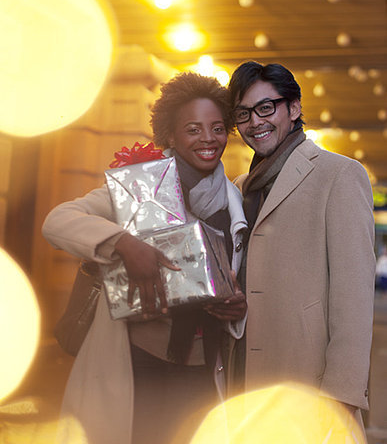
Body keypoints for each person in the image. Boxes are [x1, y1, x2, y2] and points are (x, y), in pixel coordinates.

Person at [42, 72, 247, 444]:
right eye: (193, 129)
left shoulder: (234, 202)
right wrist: (122, 242)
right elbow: (57, 221)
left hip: (204, 369)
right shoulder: (138, 186)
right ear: (170, 134)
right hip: (138, 361)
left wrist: (236, 306)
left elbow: (234, 277)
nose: (208, 139)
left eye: (218, 128)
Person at [225, 61, 375, 425]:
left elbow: (354, 296)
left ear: (293, 109)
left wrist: (341, 394)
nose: (255, 122)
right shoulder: (240, 186)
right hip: (243, 374)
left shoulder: (338, 174)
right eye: (243, 114)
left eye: (266, 107)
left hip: (308, 380)